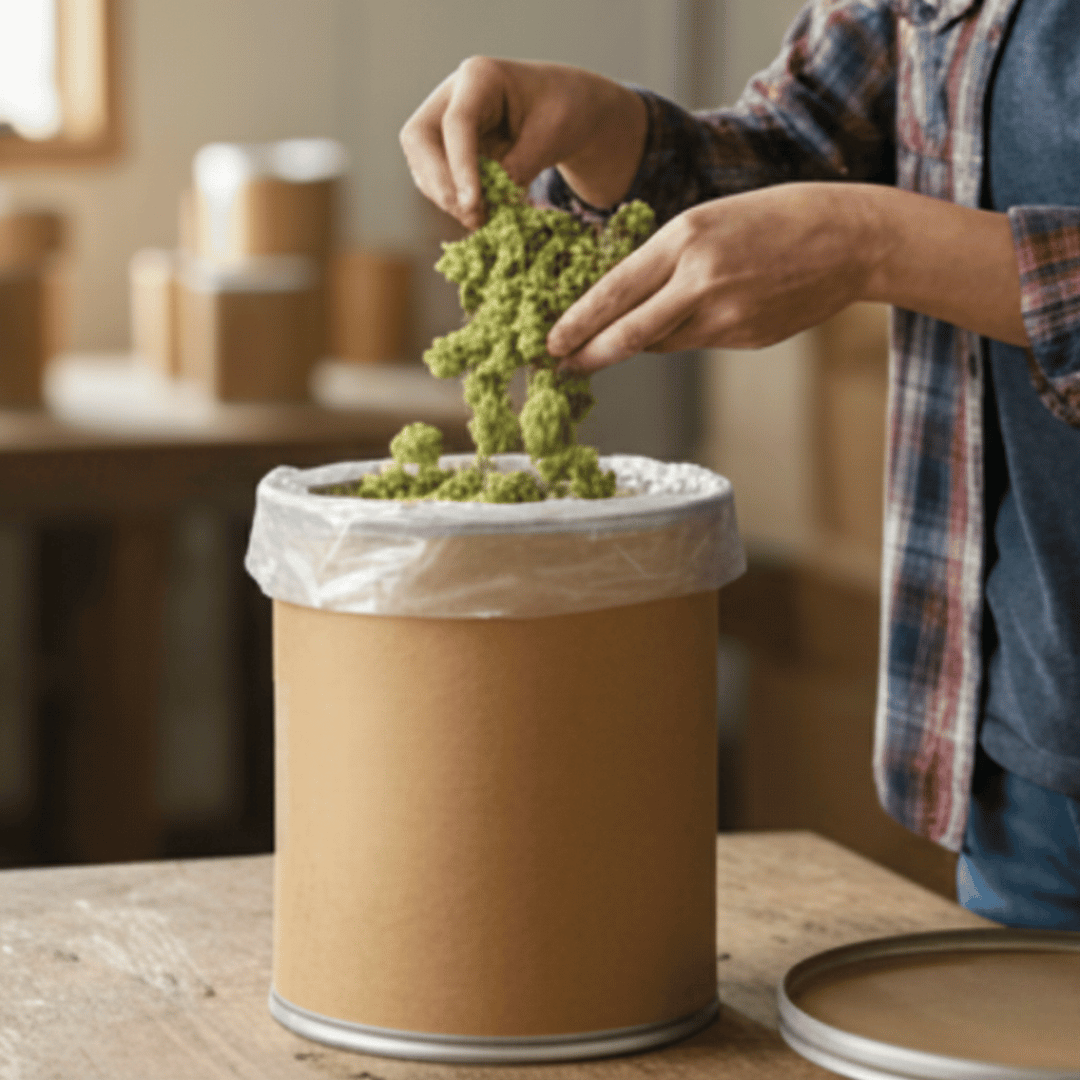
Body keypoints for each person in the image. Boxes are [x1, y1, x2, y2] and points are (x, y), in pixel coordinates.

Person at [399, 0, 1080, 931]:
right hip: (1033, 755)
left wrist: (875, 243)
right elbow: (799, 146)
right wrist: (604, 130)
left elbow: (847, 223)